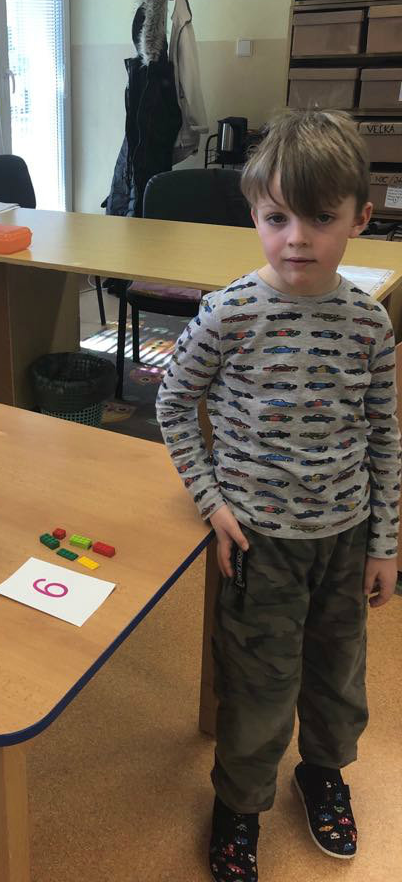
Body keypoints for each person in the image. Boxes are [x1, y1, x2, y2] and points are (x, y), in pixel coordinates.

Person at [155, 109, 400, 882]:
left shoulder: (369, 324)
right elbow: (172, 403)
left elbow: (385, 437)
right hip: (258, 543)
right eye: (277, 218)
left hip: (345, 540)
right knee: (258, 687)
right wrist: (211, 501)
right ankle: (239, 804)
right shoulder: (230, 312)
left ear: (360, 218)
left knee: (337, 675)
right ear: (255, 214)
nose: (297, 238)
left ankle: (321, 773)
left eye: (320, 218)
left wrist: (386, 544)